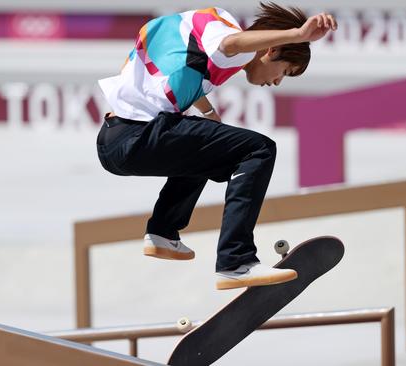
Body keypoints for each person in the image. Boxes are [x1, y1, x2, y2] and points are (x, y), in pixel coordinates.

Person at [96, 2, 337, 290]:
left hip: (114, 139)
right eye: (284, 71)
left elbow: (180, 65)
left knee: (207, 146)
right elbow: (232, 43)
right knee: (259, 149)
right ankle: (237, 260)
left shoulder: (196, 31)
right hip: (140, 135)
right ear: (272, 51)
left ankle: (162, 232)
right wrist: (297, 34)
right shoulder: (227, 31)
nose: (276, 81)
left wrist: (208, 112)